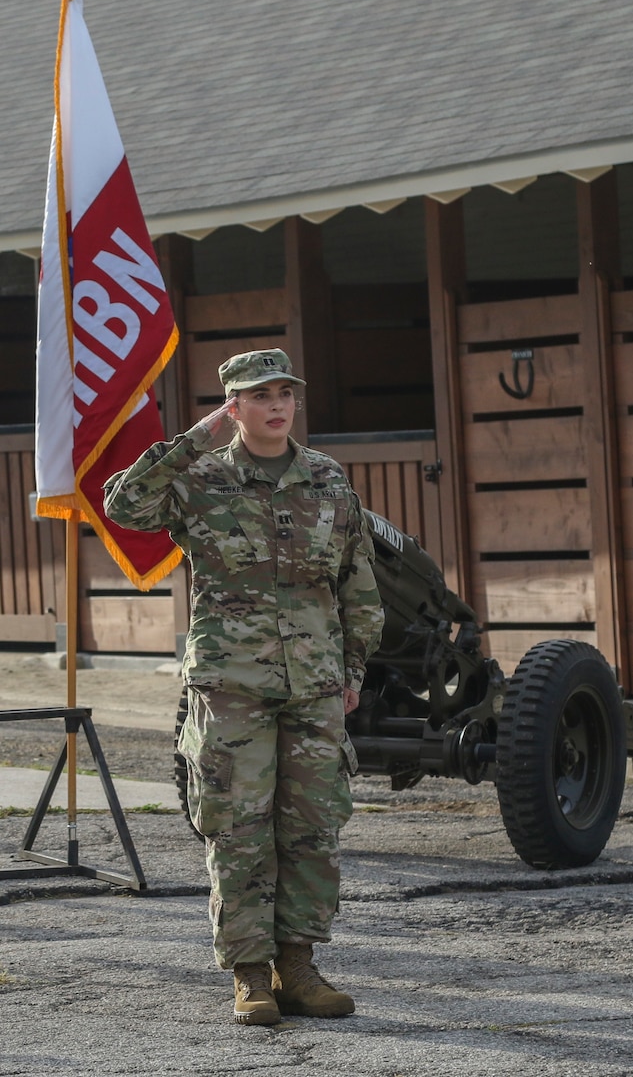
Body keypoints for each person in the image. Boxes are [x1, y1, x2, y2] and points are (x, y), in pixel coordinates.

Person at [103, 348, 384, 1026]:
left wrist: (351, 672)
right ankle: (250, 975)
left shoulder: (325, 477)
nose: (277, 404)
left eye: (285, 392)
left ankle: (300, 966)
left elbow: (358, 584)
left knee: (314, 826)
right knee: (238, 827)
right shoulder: (199, 477)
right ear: (235, 405)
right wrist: (193, 439)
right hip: (233, 683)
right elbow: (123, 504)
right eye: (260, 395)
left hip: (314, 681)